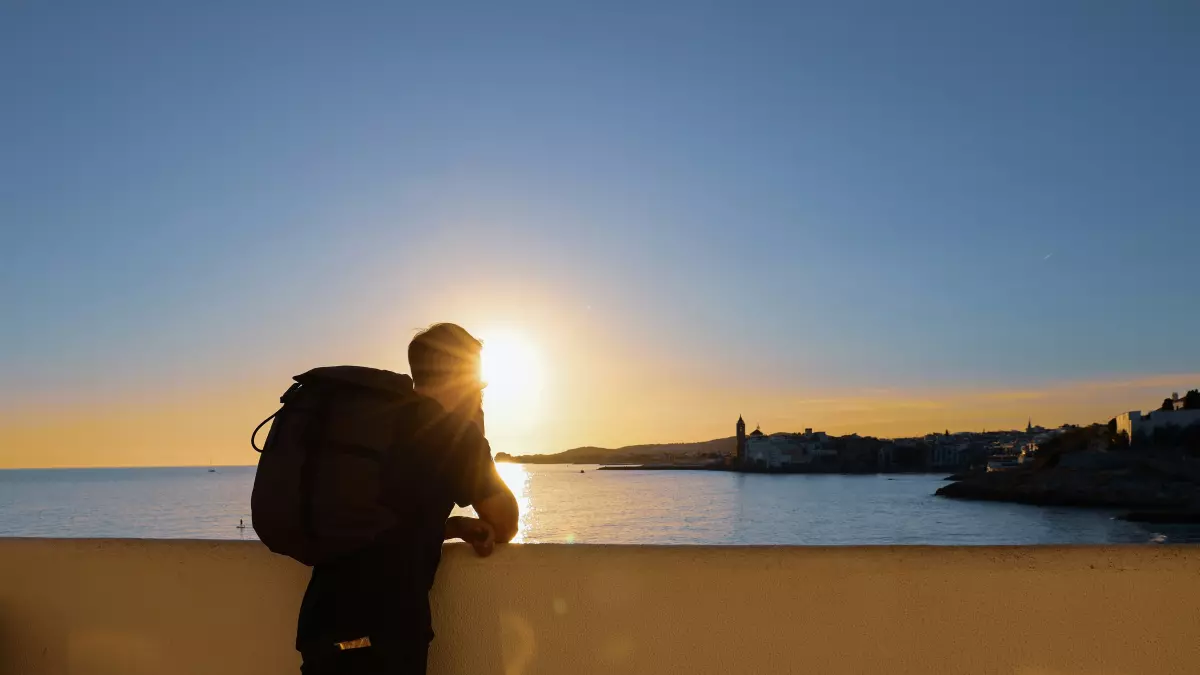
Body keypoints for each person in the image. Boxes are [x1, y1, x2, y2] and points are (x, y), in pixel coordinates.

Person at [296, 323, 520, 675]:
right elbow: (506, 522)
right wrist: (477, 432)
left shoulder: (378, 425)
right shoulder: (454, 435)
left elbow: (389, 515)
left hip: (320, 625)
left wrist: (450, 526)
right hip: (385, 637)